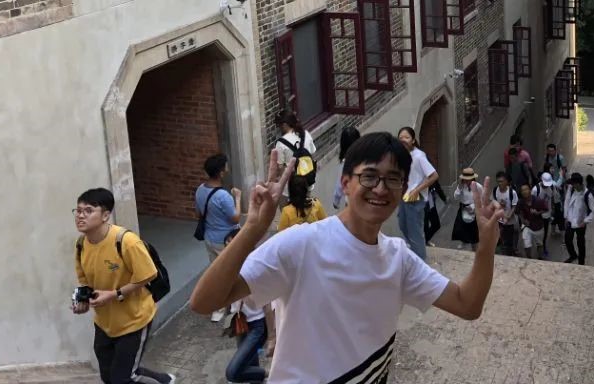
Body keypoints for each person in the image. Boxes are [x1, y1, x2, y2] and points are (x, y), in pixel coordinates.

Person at [191, 133, 504, 383]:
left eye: (393, 179)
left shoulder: (398, 259)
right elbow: (204, 302)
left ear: (402, 189)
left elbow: (467, 304)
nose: (380, 189)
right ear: (345, 183)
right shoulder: (301, 244)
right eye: (369, 176)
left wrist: (486, 246)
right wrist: (252, 229)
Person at [72, 188, 174, 384]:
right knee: (108, 376)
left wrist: (114, 294)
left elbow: (148, 274)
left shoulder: (126, 241)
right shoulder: (81, 244)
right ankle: (165, 380)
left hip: (134, 320)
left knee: (122, 378)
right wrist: (81, 300)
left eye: (88, 210)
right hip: (104, 323)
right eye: (78, 210)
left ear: (105, 215)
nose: (80, 216)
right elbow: (84, 279)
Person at [196, 153, 242, 322]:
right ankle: (235, 307)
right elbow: (235, 218)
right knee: (232, 272)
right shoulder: (223, 196)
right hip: (227, 240)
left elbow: (198, 213)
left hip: (210, 238)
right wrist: (238, 198)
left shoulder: (200, 190)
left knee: (216, 273)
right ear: (221, 173)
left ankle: (218, 309)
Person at [223, 229, 268, 384]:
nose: (229, 249)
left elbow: (268, 304)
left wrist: (273, 336)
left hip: (257, 325)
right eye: (227, 245)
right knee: (249, 362)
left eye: (232, 244)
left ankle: (271, 373)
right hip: (240, 322)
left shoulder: (254, 267)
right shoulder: (229, 268)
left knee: (233, 372)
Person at [397, 126, 438, 261]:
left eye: (406, 137)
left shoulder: (419, 156)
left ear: (413, 140)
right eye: (401, 138)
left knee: (415, 232)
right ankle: (413, 254)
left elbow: (433, 176)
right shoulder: (401, 155)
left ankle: (420, 261)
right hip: (404, 196)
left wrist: (417, 190)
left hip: (416, 198)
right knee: (403, 225)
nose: (403, 140)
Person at [563, 173, 594, 265]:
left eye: (573, 183)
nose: (571, 185)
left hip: (580, 222)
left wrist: (585, 221)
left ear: (577, 184)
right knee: (567, 240)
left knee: (580, 243)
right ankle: (573, 255)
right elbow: (567, 202)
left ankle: (581, 262)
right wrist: (566, 216)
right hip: (570, 220)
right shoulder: (571, 189)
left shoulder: (587, 195)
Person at [451, 168, 484, 251]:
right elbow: (456, 197)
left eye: (468, 179)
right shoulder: (461, 186)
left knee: (473, 230)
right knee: (461, 227)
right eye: (465, 179)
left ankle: (474, 246)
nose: (466, 181)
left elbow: (482, 200)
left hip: (474, 209)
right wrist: (459, 188)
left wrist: (473, 206)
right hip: (463, 208)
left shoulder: (479, 187)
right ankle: (464, 241)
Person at [332, 126, 361, 209]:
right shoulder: (366, 156)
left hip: (353, 202)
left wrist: (336, 201)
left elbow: (340, 184)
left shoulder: (346, 164)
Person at [517, 184, 548, 259]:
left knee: (539, 244)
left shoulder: (538, 200)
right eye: (522, 190)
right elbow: (518, 212)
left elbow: (546, 209)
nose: (524, 191)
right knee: (526, 245)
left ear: (530, 190)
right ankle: (529, 259)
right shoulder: (520, 202)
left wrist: (537, 212)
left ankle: (540, 258)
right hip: (527, 226)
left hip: (538, 226)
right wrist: (523, 220)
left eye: (526, 189)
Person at [493, 171, 519, 256]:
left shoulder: (512, 192)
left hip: (509, 221)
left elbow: (514, 206)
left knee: (509, 240)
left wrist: (508, 217)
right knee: (499, 238)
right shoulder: (495, 190)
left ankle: (510, 253)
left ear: (506, 181)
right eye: (498, 181)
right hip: (499, 220)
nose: (500, 183)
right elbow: (494, 202)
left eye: (502, 181)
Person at [533, 172, 557, 257]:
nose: (547, 186)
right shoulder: (535, 190)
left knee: (545, 232)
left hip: (547, 214)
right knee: (539, 233)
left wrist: (552, 208)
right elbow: (532, 202)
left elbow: (552, 198)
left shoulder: (551, 187)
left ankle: (543, 246)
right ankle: (539, 247)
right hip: (538, 215)